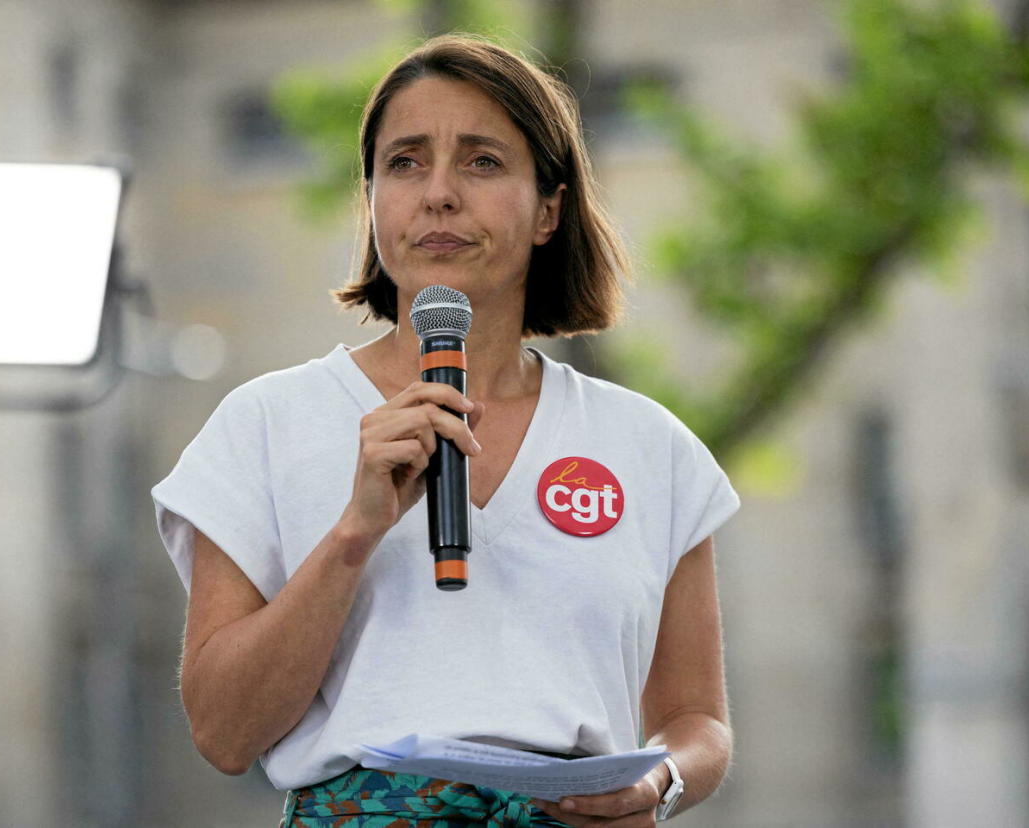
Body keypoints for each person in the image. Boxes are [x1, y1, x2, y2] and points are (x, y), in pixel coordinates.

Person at [152, 34, 741, 828]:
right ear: (372, 202)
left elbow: (698, 720)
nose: (437, 194)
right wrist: (354, 535)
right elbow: (224, 733)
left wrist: (657, 783)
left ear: (549, 209)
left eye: (482, 162)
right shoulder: (265, 425)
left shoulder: (648, 445)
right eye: (404, 162)